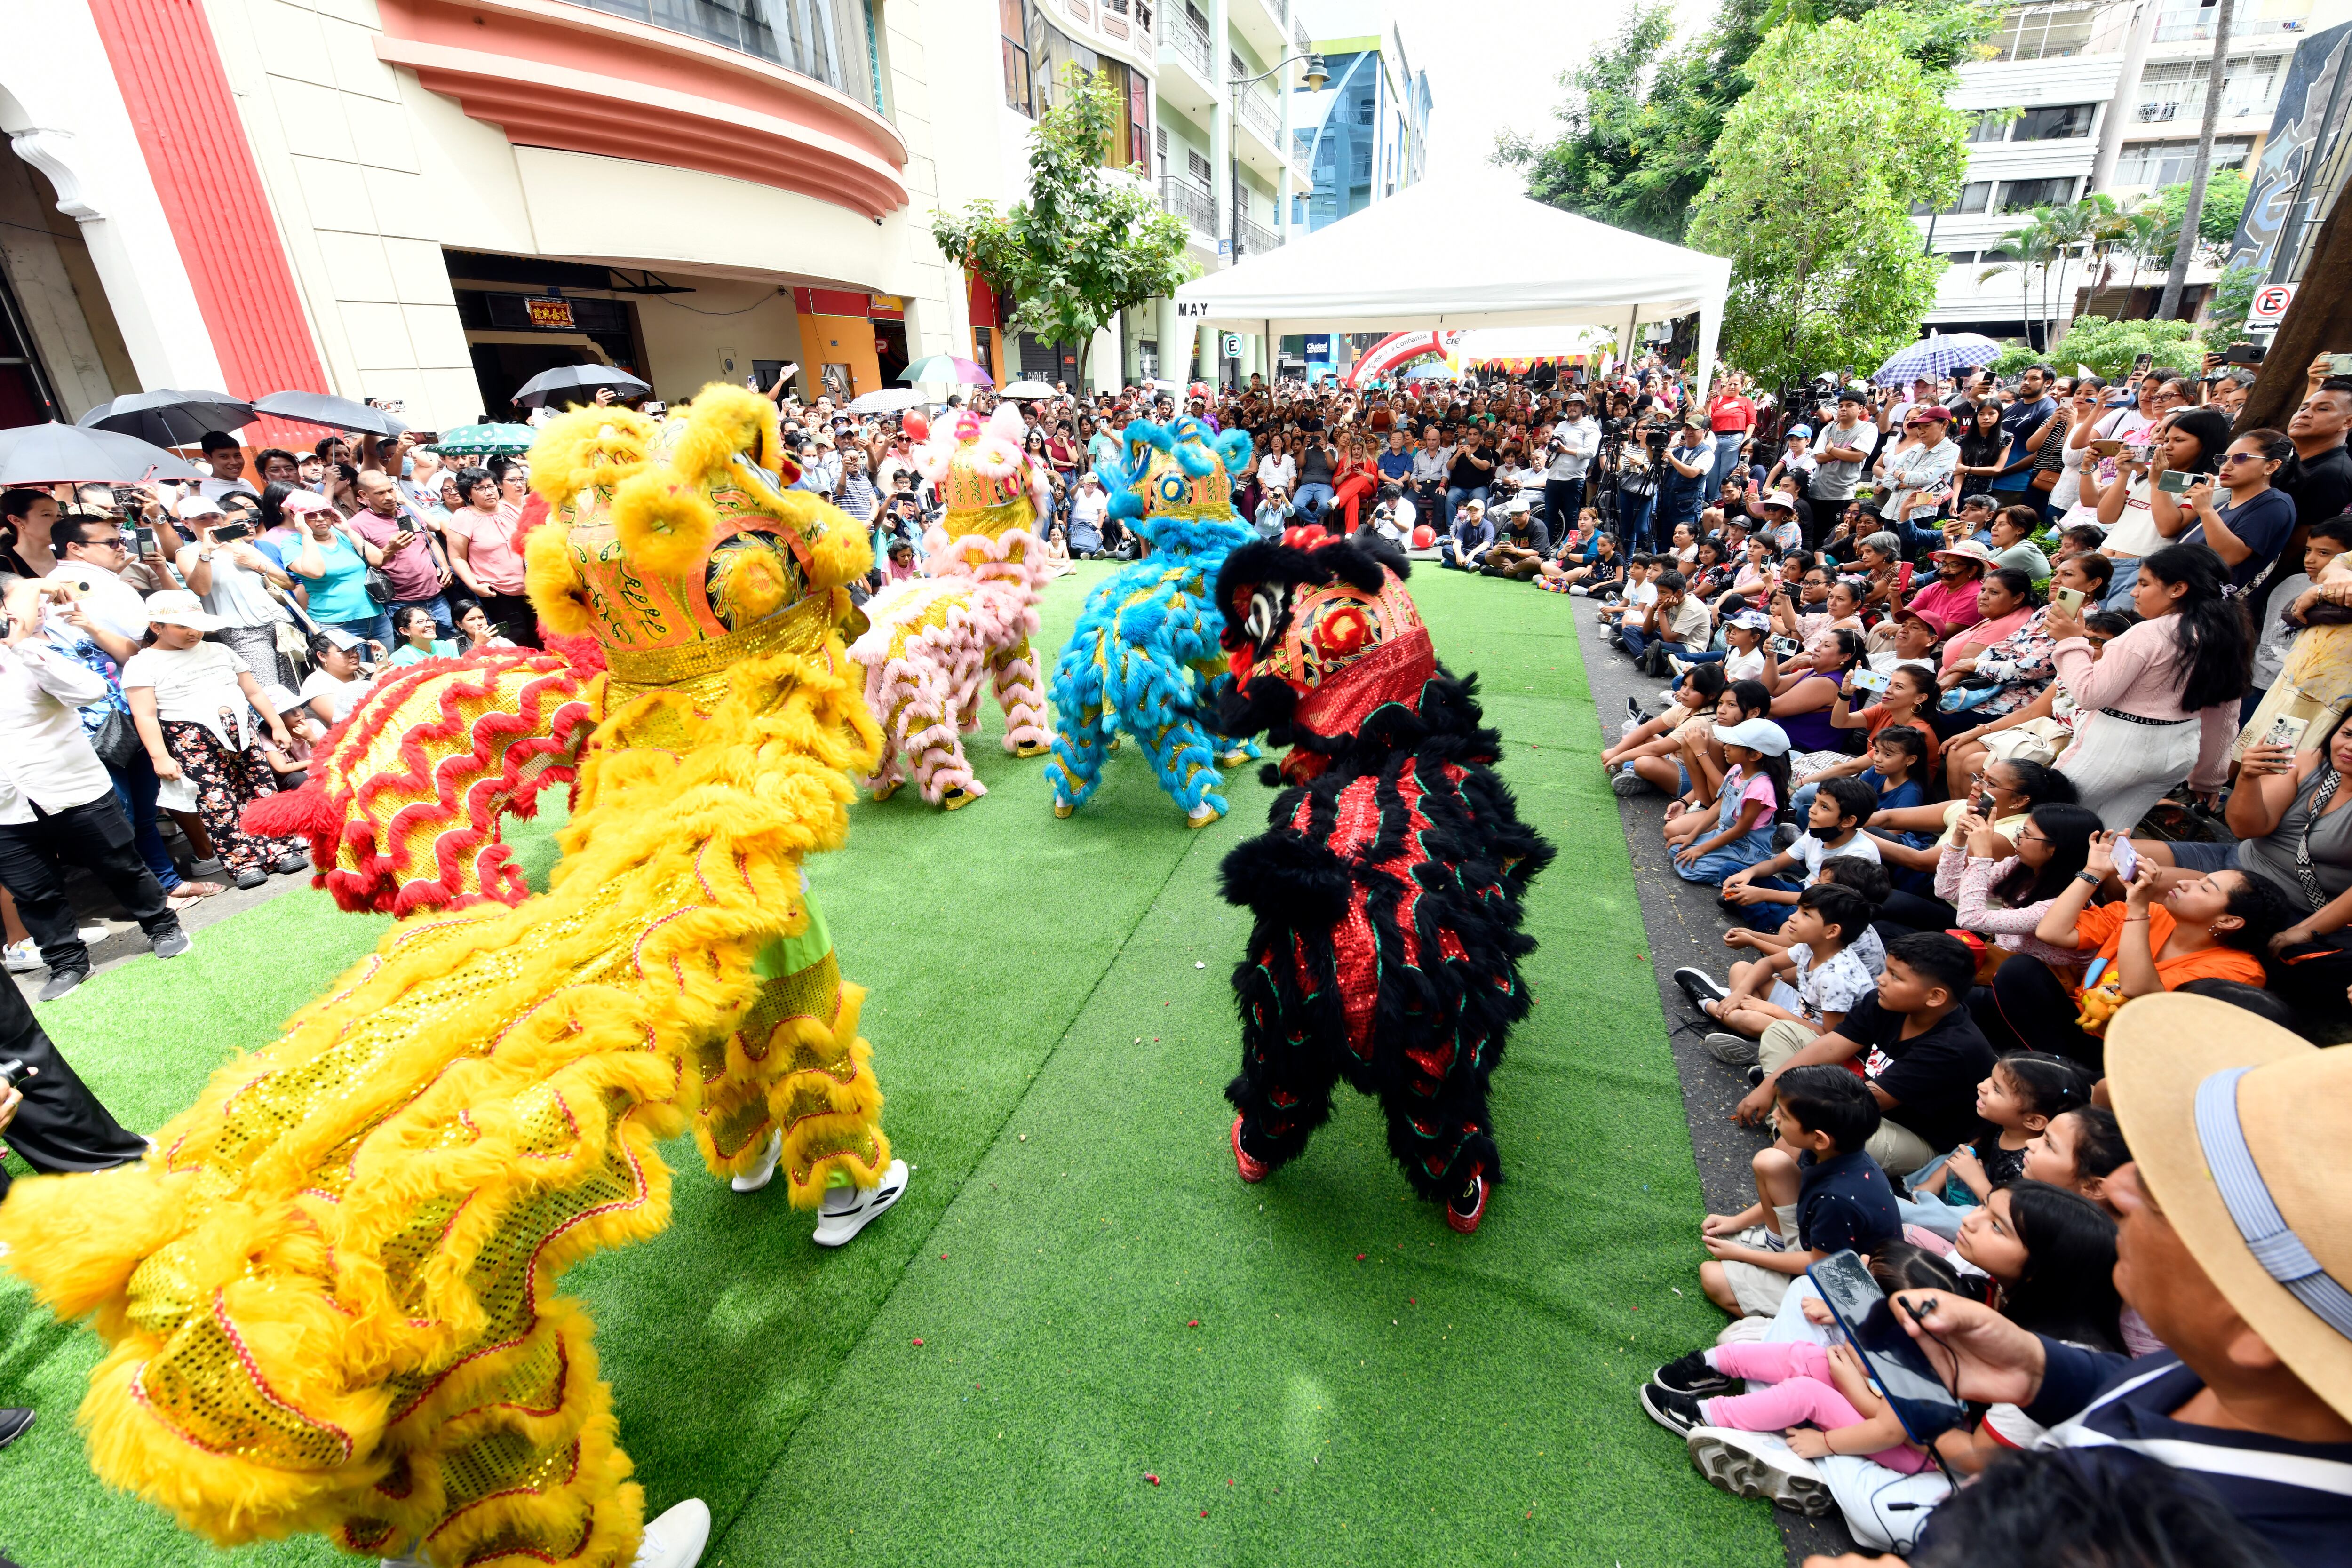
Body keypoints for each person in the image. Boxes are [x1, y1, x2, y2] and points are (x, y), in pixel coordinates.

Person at [1884, 991, 2352, 1568]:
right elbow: (2155, 1390)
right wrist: (2041, 1368)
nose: (2122, 1186)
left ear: (2255, 1326)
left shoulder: (2211, 1544)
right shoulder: (2233, 1378)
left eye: (2164, 1194)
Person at [0, 580, 191, 999]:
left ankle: (162, 926)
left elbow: (92, 690)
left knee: (120, 864)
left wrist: (22, 646)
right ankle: (66, 961)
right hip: (7, 807)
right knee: (32, 891)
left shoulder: (32, 654)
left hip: (72, 786)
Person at [1983, 831, 2288, 1068]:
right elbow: (2052, 932)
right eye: (2200, 879)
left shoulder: (2241, 971)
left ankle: (2060, 1074)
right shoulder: (2154, 913)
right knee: (2015, 975)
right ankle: (2047, 1064)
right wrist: (2093, 871)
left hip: (2122, 1055)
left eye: (2205, 888)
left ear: (2229, 921)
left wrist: (2138, 910)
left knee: (2003, 990)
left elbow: (2138, 990)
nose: (2186, 883)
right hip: (2077, 1020)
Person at [1733, 931, 1998, 1178]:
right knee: (1782, 1032)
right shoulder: (1884, 1001)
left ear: (1935, 997)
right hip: (1860, 1092)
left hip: (1915, 1135)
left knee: (1831, 1132)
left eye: (1896, 976)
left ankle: (1789, 1123)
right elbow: (1831, 1045)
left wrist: (1798, 1107)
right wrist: (1770, 1086)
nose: (1881, 979)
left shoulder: (1953, 1047)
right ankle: (1791, 1122)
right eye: (1886, 970)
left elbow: (1867, 1102)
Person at [119, 589, 309, 893]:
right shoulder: (143, 664)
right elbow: (145, 715)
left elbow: (254, 691)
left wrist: (276, 724)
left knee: (262, 790)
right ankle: (243, 862)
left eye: (197, 625)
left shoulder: (220, 651)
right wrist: (159, 756)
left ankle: (281, 849)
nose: (193, 632)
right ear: (157, 627)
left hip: (243, 733)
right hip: (192, 741)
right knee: (217, 803)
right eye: (182, 626)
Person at [2046, 543, 2246, 830]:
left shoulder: (2148, 633)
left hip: (2115, 750)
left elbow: (2090, 694)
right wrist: (2208, 779)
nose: (2134, 592)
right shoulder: (2224, 636)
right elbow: (2223, 719)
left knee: (2050, 823)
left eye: (2144, 583)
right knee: (2111, 834)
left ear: (2178, 589)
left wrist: (2070, 642)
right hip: (2175, 757)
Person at [1685, 1063, 1900, 1322]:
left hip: (1842, 1285)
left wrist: (1741, 1255)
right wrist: (1736, 1222)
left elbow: (1818, 1263)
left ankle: (1795, 1326)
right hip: (1820, 1245)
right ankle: (1775, 1244)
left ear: (1820, 1138)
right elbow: (1805, 1200)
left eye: (1785, 1116)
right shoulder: (1830, 1152)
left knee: (1712, 1277)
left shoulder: (1839, 1200)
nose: (1775, 1116)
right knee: (1770, 1162)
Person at [1719, 777, 1881, 930]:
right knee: (1731, 870)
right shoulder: (1817, 833)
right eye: (1815, 802)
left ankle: (1761, 920)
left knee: (1790, 915)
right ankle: (1754, 906)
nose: (1812, 810)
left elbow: (1828, 901)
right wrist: (1749, 873)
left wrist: (1762, 895)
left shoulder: (1859, 853)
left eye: (1824, 807)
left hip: (1825, 907)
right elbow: (1777, 863)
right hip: (1804, 889)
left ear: (1848, 821)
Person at [1666, 715, 1789, 886]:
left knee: (1687, 868)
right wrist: (1692, 835)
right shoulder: (1737, 770)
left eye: (1733, 745)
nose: (1725, 747)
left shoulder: (1761, 789)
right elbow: (1720, 804)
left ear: (1755, 755)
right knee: (1676, 850)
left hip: (1746, 850)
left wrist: (1701, 849)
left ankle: (1753, 871)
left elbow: (1740, 830)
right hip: (1724, 835)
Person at [343, 468, 454, 636]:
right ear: (364, 495)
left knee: (454, 643)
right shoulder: (357, 525)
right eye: (380, 493)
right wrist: (391, 549)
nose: (389, 497)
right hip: (400, 604)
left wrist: (444, 567)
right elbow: (365, 565)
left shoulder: (409, 511)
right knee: (415, 650)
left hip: (437, 597)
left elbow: (430, 541)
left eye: (390, 490)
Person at [442, 467, 537, 646]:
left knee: (540, 634)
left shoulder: (511, 509)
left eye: (491, 486)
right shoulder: (464, 517)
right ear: (468, 494)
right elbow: (457, 557)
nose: (489, 492)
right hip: (497, 591)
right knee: (516, 639)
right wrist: (475, 586)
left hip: (532, 587)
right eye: (480, 488)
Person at [1546, 392, 1599, 539]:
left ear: (1583, 408)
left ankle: (1572, 547)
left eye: (1576, 405)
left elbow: (1591, 452)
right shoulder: (1561, 425)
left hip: (1573, 479)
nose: (1572, 408)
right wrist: (1550, 447)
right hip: (1553, 476)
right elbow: (1551, 448)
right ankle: (1544, 548)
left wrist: (1565, 450)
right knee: (1549, 514)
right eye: (1569, 405)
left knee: (1572, 516)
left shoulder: (1590, 427)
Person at [299, 629, 374, 726]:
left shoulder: (368, 668)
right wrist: (374, 687)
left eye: (355, 649)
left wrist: (383, 663)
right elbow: (346, 723)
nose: (354, 655)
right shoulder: (315, 685)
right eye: (343, 651)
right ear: (322, 656)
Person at [386, 602, 462, 665]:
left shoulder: (446, 646)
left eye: (429, 620)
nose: (430, 624)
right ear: (405, 631)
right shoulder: (400, 659)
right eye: (420, 622)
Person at [1439, 496, 1494, 571]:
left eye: (1476, 510)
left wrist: (1472, 554)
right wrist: (1459, 554)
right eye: (1471, 511)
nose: (1473, 513)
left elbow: (1486, 544)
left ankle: (1454, 564)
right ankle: (1469, 564)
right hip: (1465, 550)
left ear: (1483, 511)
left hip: (1480, 553)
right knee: (1446, 549)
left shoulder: (1488, 526)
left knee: (1487, 556)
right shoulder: (1465, 526)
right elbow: (1457, 541)